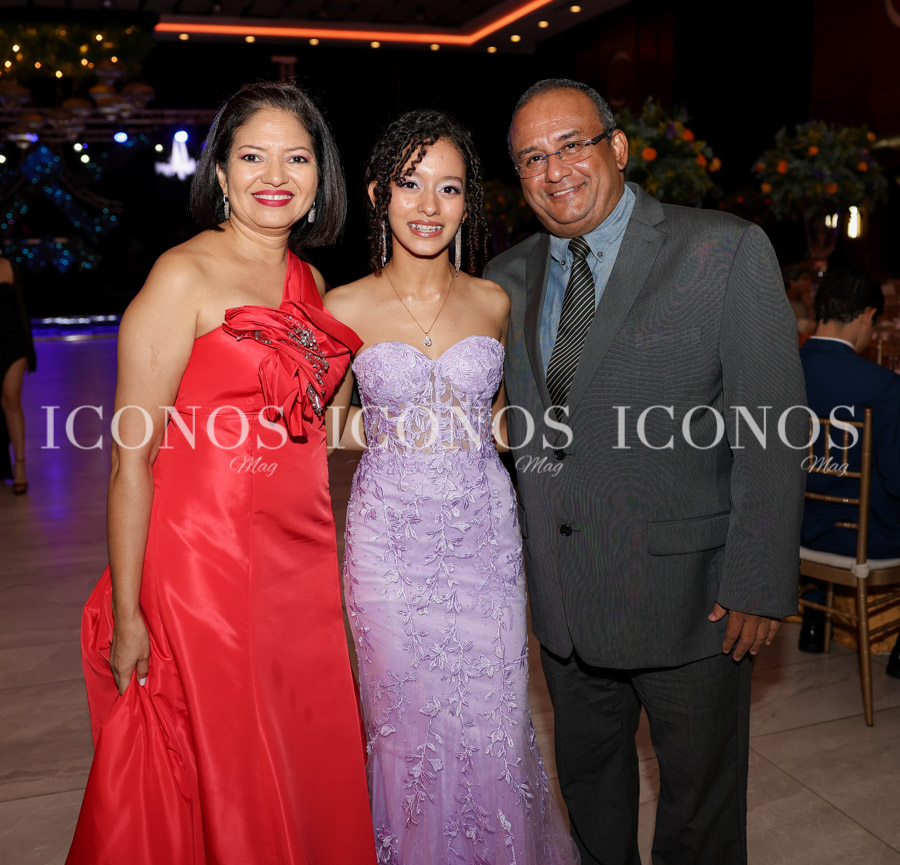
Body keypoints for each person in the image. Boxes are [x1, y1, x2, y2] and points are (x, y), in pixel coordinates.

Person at [482, 78, 807, 865]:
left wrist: (758, 580)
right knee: (592, 799)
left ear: (618, 147)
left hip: (693, 601)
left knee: (700, 814)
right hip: (566, 606)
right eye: (532, 157)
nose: (554, 170)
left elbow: (772, 427)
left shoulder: (722, 248)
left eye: (571, 144)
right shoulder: (506, 277)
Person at [66, 82, 375, 865]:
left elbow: (320, 431)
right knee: (225, 764)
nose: (275, 175)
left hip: (298, 564)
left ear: (320, 177)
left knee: (297, 749)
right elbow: (130, 458)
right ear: (222, 173)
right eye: (253, 156)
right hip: (198, 571)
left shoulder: (313, 287)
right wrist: (129, 611)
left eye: (296, 158)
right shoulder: (184, 276)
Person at [324, 109, 579, 865]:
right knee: (404, 723)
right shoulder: (342, 307)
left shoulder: (494, 302)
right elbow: (324, 426)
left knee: (492, 714)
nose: (429, 205)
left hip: (484, 542)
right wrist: (401, 428)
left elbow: (498, 420)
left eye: (449, 187)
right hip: (388, 545)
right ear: (378, 194)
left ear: (469, 202)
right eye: (410, 184)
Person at [798, 268, 900, 675]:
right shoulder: (883, 385)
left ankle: (813, 622)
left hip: (790, 530)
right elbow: (896, 479)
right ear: (867, 316)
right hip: (856, 539)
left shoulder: (778, 369)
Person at [0, 254, 36, 494]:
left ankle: (20, 465)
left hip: (13, 345)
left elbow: (23, 310)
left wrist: (29, 351)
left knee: (11, 400)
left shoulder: (9, 266)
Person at [782, 262, 816, 334]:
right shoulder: (781, 302)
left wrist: (809, 306)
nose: (809, 282)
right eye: (805, 279)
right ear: (792, 282)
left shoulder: (807, 299)